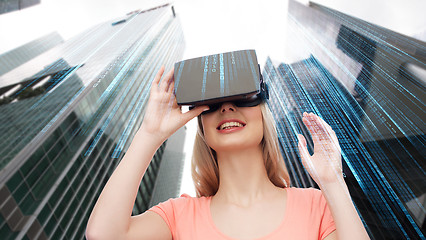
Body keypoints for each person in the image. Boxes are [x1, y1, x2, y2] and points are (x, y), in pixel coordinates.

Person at [86, 66, 370, 240]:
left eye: (244, 96)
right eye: (211, 103)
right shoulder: (179, 215)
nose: (227, 107)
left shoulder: (317, 205)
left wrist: (333, 182)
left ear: (263, 113)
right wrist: (150, 134)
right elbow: (105, 235)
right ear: (202, 127)